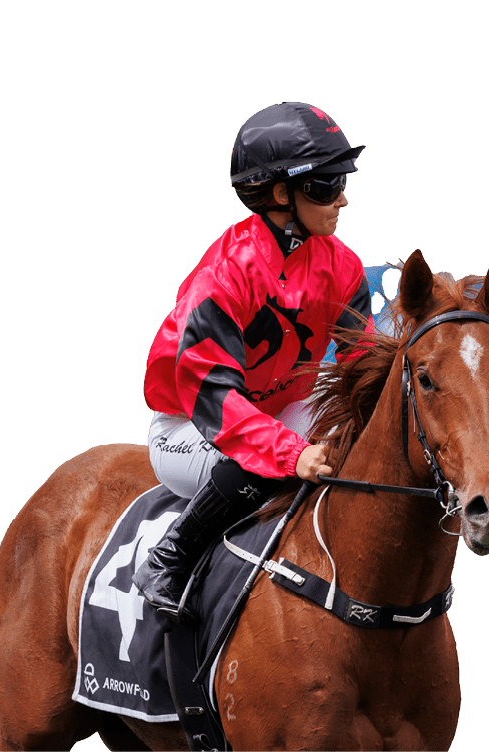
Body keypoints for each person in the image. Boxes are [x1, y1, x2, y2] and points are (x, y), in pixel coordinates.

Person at [133, 101, 373, 621]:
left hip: (277, 407)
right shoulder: (223, 276)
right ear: (281, 194)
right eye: (327, 187)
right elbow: (213, 400)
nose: (343, 201)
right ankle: (168, 558)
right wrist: (290, 454)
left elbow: (362, 370)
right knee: (270, 468)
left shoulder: (343, 266)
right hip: (193, 425)